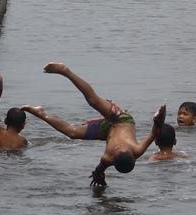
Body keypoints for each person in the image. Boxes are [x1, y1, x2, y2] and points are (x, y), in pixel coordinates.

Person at [22, 61, 162, 189]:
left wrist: (99, 177)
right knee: (93, 101)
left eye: (118, 150)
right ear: (131, 153)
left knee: (72, 133)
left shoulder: (107, 158)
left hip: (107, 130)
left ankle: (40, 113)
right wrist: (159, 117)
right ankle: (65, 70)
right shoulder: (137, 149)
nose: (120, 146)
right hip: (121, 119)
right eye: (124, 148)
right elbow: (155, 132)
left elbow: (99, 170)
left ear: (114, 158)